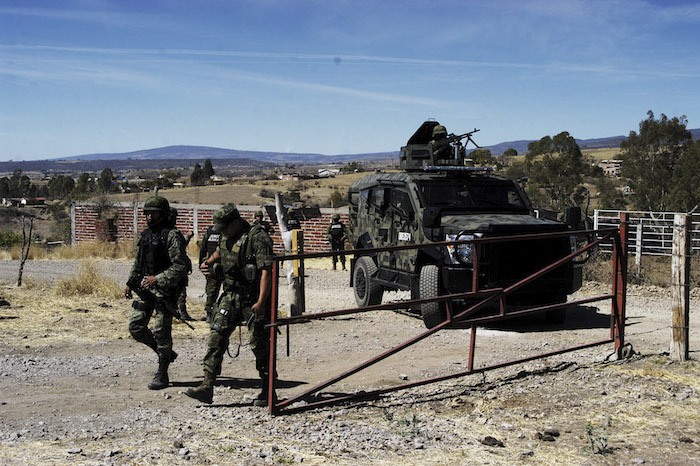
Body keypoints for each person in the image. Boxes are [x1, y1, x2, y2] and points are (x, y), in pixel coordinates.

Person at [185, 203, 274, 406]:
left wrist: (261, 301)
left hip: (252, 299)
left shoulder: (257, 237)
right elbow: (221, 251)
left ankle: (268, 390)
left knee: (259, 344)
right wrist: (208, 262)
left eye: (225, 226)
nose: (223, 231)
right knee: (216, 336)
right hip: (230, 296)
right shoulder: (226, 234)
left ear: (235, 222)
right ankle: (207, 386)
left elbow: (267, 271)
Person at [124, 196, 188, 390]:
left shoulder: (172, 236)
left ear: (163, 214)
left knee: (161, 331)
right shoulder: (146, 236)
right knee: (135, 327)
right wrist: (129, 282)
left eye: (153, 213)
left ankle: (163, 372)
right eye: (147, 213)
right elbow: (139, 261)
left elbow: (180, 266)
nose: (149, 217)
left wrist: (158, 278)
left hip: (164, 292)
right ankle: (165, 353)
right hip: (145, 289)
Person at [169, 207, 194, 321]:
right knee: (179, 291)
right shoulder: (170, 233)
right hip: (173, 267)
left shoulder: (173, 232)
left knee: (180, 290)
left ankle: (180, 312)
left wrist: (188, 237)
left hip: (176, 267)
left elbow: (181, 245)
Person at [199, 221, 223, 323]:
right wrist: (202, 264)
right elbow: (203, 248)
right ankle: (210, 313)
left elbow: (202, 249)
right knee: (212, 291)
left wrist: (202, 263)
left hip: (219, 265)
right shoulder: (221, 232)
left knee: (212, 291)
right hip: (216, 266)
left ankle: (212, 313)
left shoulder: (210, 232)